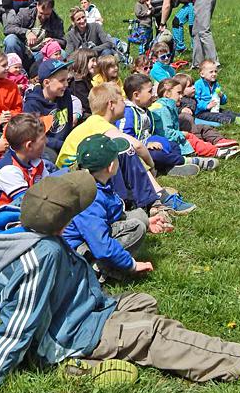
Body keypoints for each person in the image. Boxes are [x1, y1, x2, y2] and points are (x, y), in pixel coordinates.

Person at [0, 170, 240, 393]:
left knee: (143, 301)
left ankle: (115, 347)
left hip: (80, 308)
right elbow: (19, 323)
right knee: (154, 331)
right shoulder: (41, 256)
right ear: (60, 223)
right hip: (67, 335)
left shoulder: (13, 220)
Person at [57, 83, 195, 215]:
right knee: (125, 148)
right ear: (111, 104)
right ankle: (155, 196)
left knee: (119, 151)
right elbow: (137, 145)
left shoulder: (95, 122)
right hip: (72, 178)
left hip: (78, 173)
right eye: (122, 100)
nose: (125, 103)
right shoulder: (98, 123)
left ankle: (149, 196)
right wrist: (151, 166)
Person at [63, 134, 154, 281]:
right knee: (137, 228)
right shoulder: (89, 198)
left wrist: (148, 222)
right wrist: (132, 265)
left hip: (89, 236)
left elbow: (111, 212)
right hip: (75, 252)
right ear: (111, 166)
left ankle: (107, 264)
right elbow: (100, 243)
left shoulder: (97, 181)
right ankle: (96, 270)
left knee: (140, 216)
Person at [120, 73, 202, 176]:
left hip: (151, 143)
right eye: (150, 92)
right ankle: (186, 161)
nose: (154, 95)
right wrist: (146, 144)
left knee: (173, 145)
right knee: (157, 155)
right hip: (137, 151)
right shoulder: (128, 112)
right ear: (136, 95)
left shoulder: (144, 110)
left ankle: (170, 166)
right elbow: (124, 137)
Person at [0, 113, 56, 212]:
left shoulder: (36, 162)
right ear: (29, 145)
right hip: (2, 222)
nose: (46, 141)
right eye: (43, 139)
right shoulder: (9, 170)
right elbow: (27, 204)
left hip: (25, 214)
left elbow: (50, 187)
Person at [159, 0, 218, 69]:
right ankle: (197, 64)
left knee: (204, 31)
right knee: (196, 32)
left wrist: (162, 23)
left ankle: (214, 64)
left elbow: (166, 4)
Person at [22, 59, 75, 161]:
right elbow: (34, 136)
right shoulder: (32, 104)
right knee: (50, 156)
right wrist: (63, 145)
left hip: (64, 143)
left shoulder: (65, 94)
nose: (66, 85)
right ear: (46, 83)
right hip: (45, 146)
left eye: (67, 80)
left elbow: (69, 123)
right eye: (62, 81)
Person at [3, 0, 65, 73]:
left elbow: (63, 41)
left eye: (47, 15)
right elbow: (8, 28)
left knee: (62, 53)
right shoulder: (25, 13)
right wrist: (27, 32)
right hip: (23, 51)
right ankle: (16, 73)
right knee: (10, 40)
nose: (43, 17)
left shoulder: (56, 21)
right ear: (37, 6)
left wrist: (52, 40)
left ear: (52, 10)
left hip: (41, 54)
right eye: (41, 13)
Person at [194, 60, 240, 125]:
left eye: (215, 71)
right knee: (220, 116)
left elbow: (223, 102)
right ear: (202, 74)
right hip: (202, 112)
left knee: (228, 112)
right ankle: (238, 121)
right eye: (211, 72)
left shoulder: (216, 84)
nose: (214, 74)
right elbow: (195, 100)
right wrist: (206, 106)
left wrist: (221, 96)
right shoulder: (198, 84)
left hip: (214, 109)